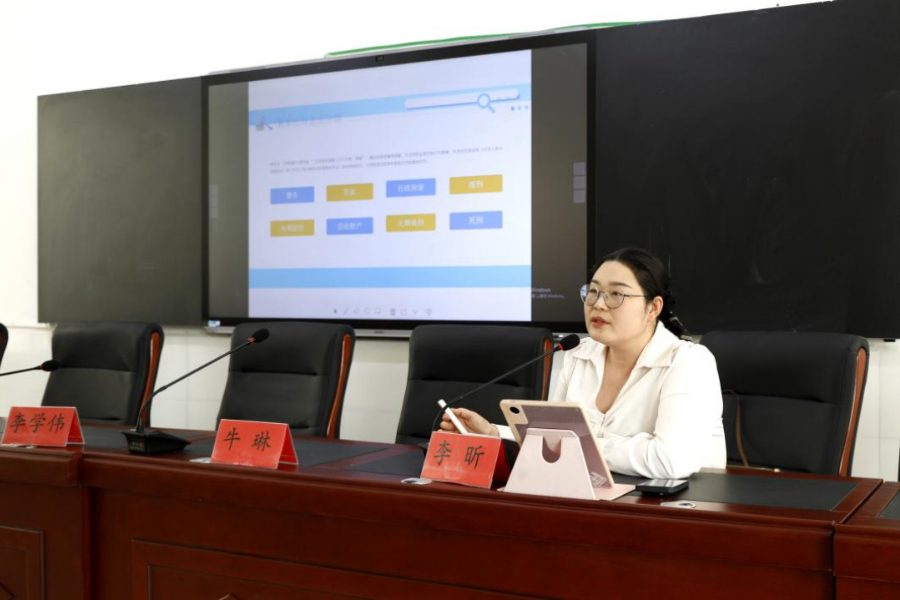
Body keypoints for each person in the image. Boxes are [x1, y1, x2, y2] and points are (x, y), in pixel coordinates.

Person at [441, 247, 726, 479]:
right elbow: (549, 439)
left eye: (616, 294)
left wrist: (574, 445)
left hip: (682, 508)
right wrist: (493, 433)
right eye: (593, 291)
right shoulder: (578, 355)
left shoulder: (688, 363)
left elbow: (669, 460)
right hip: (594, 496)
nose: (598, 304)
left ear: (653, 308)